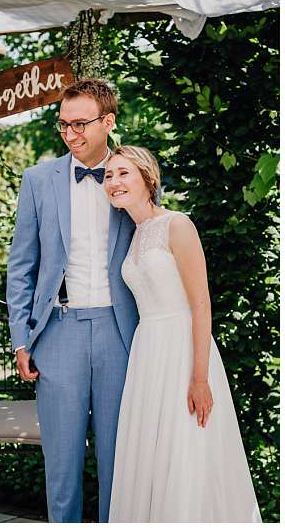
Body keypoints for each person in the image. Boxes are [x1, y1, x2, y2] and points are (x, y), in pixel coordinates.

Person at [103, 146, 260, 522]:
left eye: (123, 173)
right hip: (148, 353)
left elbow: (201, 305)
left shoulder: (177, 224)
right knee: (151, 453)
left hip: (184, 349)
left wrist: (200, 378)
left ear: (147, 178)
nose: (114, 182)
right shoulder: (134, 235)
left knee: (187, 447)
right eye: (109, 176)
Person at [6, 79, 138, 522]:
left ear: (108, 122)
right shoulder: (38, 180)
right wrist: (22, 341)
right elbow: (21, 267)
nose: (71, 134)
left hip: (121, 335)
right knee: (61, 466)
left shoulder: (131, 177)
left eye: (81, 124)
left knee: (119, 461)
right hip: (56, 334)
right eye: (64, 125)